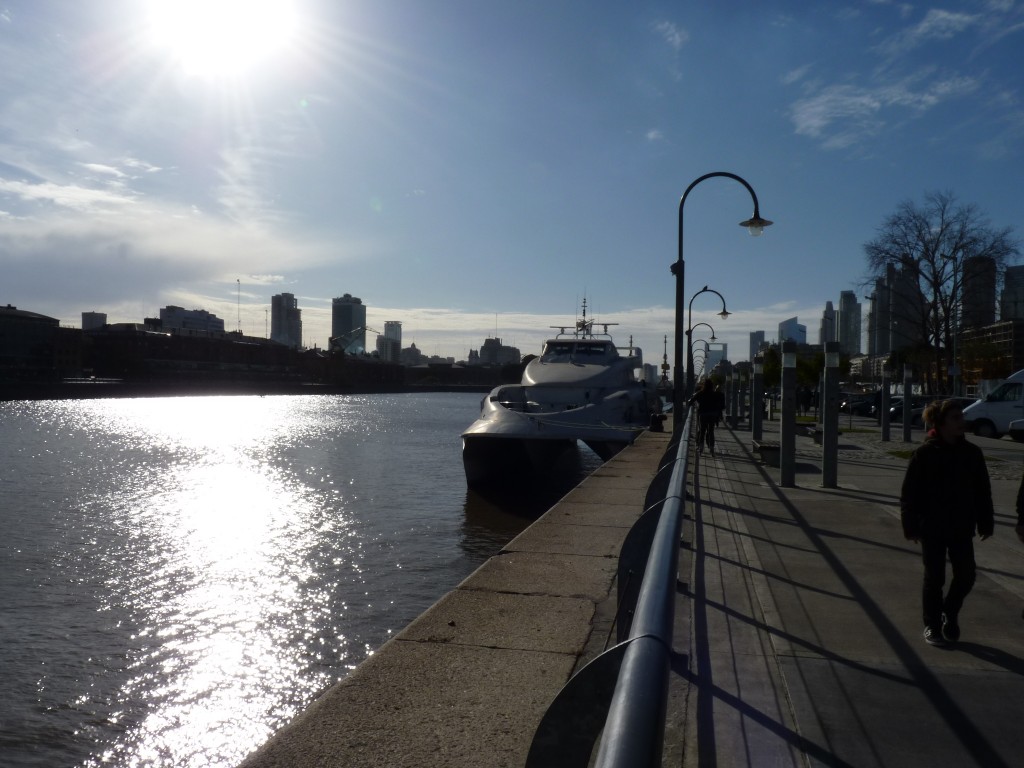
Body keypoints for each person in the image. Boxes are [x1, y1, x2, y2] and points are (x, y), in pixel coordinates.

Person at [900, 399, 994, 647]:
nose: (961, 422)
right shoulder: (924, 453)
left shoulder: (972, 453)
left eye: (961, 417)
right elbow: (909, 494)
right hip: (932, 526)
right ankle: (932, 624)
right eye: (955, 418)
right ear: (941, 423)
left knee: (966, 575)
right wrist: (910, 526)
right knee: (935, 577)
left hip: (962, 525)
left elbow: (982, 490)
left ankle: (949, 612)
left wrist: (986, 522)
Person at [688, 379, 721, 457]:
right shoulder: (715, 394)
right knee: (711, 431)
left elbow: (691, 401)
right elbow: (718, 405)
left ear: (704, 385)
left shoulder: (700, 393)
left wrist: (692, 402)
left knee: (702, 431)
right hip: (712, 414)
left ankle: (701, 447)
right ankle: (712, 448)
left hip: (703, 414)